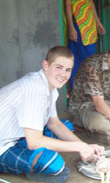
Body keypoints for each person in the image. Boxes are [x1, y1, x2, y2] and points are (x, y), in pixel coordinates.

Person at [0, 46, 104, 183]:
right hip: (4, 145)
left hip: (20, 135)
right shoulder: (34, 89)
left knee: (66, 126)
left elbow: (53, 123)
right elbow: (34, 142)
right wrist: (79, 147)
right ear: (45, 65)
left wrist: (84, 145)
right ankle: (32, 167)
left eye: (68, 70)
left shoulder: (49, 87)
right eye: (58, 67)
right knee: (55, 165)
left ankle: (34, 161)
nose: (63, 74)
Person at [62, 0, 105, 91]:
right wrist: (70, 27)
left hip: (89, 24)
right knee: (77, 58)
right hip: (77, 24)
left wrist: (98, 22)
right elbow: (67, 4)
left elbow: (90, 1)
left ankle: (89, 89)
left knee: (90, 58)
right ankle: (76, 91)